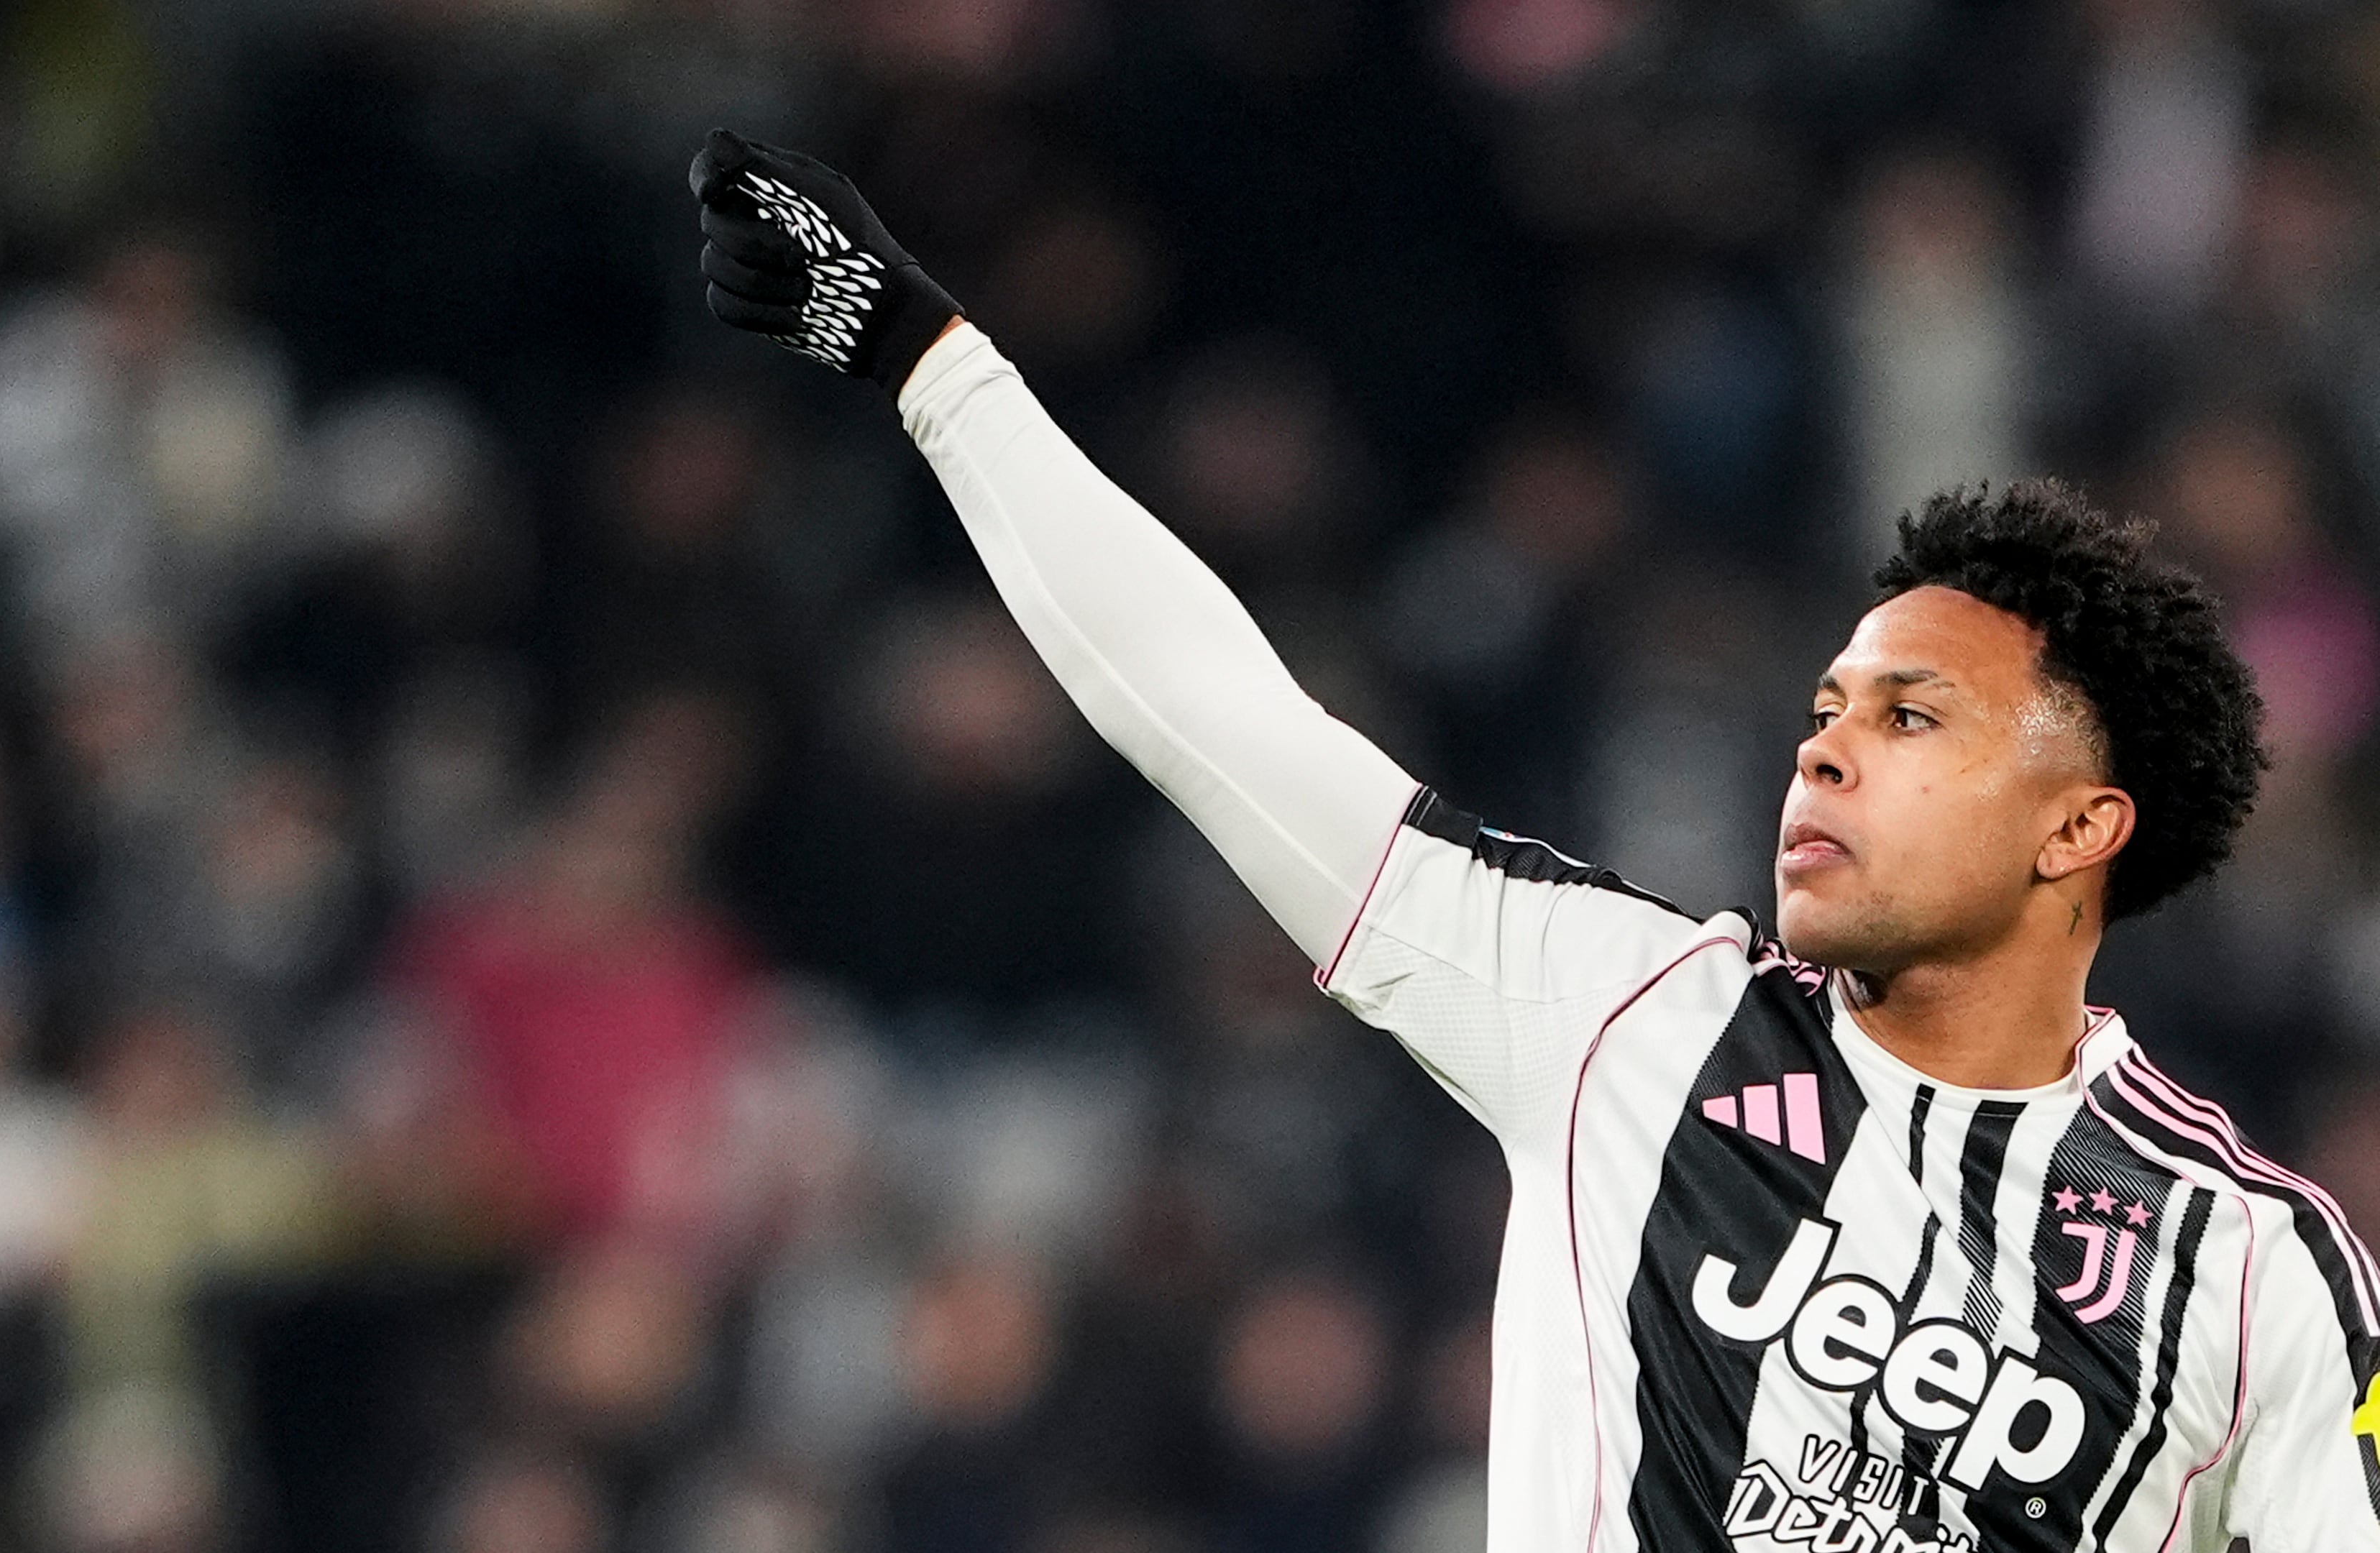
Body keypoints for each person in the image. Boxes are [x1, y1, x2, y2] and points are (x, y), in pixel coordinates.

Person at [685, 129, 2380, 1552]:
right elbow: (1223, 718)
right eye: (1831, 706)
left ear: (2080, 827)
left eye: (1909, 719)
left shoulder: (2255, 1273)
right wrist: (933, 368)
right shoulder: (1626, 1011)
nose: (1826, 750)